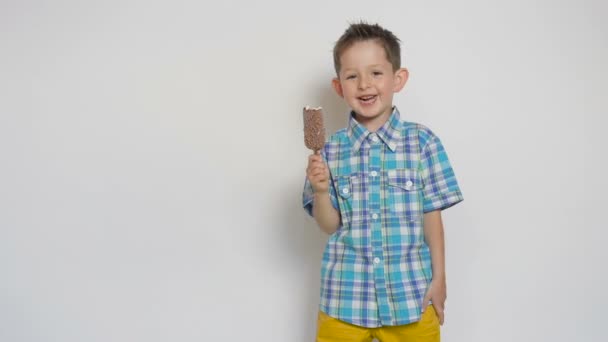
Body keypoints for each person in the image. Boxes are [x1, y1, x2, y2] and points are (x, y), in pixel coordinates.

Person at [302, 21, 464, 342]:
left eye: (376, 73)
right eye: (352, 76)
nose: (364, 84)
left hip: (410, 298)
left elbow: (433, 218)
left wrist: (440, 279)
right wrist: (321, 191)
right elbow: (329, 224)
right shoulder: (331, 150)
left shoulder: (423, 143)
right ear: (339, 87)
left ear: (397, 79)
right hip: (344, 300)